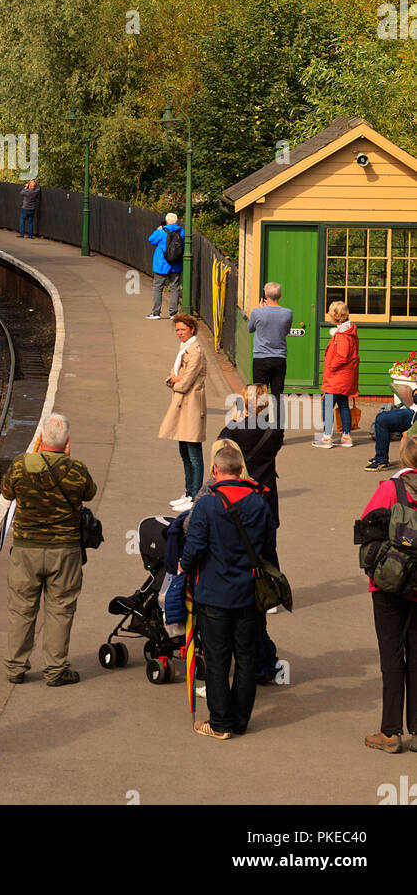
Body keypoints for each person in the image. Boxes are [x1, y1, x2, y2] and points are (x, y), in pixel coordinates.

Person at [179, 444, 278, 738]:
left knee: (218, 659)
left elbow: (194, 546)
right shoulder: (260, 502)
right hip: (248, 592)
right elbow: (269, 548)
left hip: (214, 593)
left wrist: (184, 566)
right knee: (246, 657)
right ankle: (239, 720)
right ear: (239, 470)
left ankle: (219, 723)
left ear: (214, 471)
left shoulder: (208, 504)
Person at [1, 412, 97, 686]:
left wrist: (35, 453)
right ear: (67, 441)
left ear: (40, 438)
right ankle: (55, 670)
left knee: (21, 608)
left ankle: (15, 668)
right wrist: (65, 459)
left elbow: (7, 493)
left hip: (25, 551)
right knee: (60, 608)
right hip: (64, 551)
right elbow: (89, 492)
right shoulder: (76, 469)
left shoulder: (20, 465)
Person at [359, 435, 417, 753]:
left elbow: (367, 531)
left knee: (392, 656)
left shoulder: (389, 489)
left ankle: (391, 732)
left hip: (390, 584)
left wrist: (375, 571)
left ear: (404, 459)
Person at [158, 313, 207, 512]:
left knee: (194, 453)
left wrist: (174, 380)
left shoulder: (195, 352)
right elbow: (173, 375)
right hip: (183, 406)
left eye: (183, 330)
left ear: (192, 329)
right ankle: (188, 492)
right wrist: (173, 379)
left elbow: (184, 382)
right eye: (177, 330)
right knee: (184, 452)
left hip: (192, 407)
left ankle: (195, 497)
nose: (179, 333)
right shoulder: (185, 349)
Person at [224, 385, 284, 527]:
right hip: (266, 487)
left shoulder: (237, 430)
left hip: (242, 488)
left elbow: (220, 446)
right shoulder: (276, 430)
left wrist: (233, 421)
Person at [314, 300, 360, 449]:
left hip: (337, 377)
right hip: (346, 376)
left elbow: (342, 356)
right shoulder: (350, 331)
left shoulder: (342, 335)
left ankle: (327, 438)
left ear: (334, 316)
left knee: (327, 404)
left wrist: (331, 367)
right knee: (343, 404)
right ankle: (346, 437)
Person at [247, 283, 293, 429]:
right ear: (279, 295)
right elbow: (285, 331)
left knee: (260, 394)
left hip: (261, 358)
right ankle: (279, 431)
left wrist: (261, 310)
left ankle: (262, 428)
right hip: (279, 358)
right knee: (278, 395)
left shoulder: (257, 312)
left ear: (265, 296)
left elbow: (250, 328)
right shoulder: (288, 313)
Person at [366, 381, 417, 472]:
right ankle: (380, 456)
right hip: (411, 410)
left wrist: (415, 394)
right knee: (381, 416)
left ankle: (381, 461)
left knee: (382, 421)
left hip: (414, 417)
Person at [147, 212, 184, 319]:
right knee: (175, 288)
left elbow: (151, 240)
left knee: (158, 287)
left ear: (167, 221)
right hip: (176, 264)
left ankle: (156, 313)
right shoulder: (181, 232)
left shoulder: (161, 232)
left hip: (162, 264)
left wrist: (158, 229)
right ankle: (173, 313)